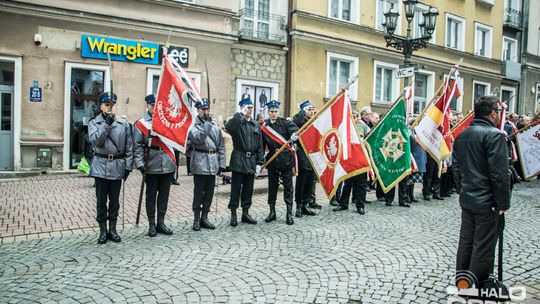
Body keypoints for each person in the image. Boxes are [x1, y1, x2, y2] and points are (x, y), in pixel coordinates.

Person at [453, 95, 510, 287]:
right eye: (498, 112)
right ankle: (476, 284)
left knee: (466, 241)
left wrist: (463, 190)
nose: (499, 115)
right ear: (493, 113)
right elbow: (499, 174)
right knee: (483, 245)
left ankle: (462, 280)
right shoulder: (495, 135)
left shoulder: (462, 134)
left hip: (468, 198)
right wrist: (502, 203)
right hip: (487, 202)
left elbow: (456, 169)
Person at [88, 92, 133, 244]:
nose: (110, 107)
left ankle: (113, 229)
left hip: (117, 167)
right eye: (107, 104)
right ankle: (102, 231)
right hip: (101, 166)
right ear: (101, 106)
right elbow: (97, 141)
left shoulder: (123, 124)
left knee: (114, 201)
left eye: (112, 104)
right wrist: (106, 124)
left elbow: (129, 147)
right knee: (101, 201)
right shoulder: (94, 123)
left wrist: (128, 167)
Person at [133, 94, 176, 237]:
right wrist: (139, 164)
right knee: (151, 196)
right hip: (150, 164)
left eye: (156, 105)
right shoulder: (142, 123)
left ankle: (161, 223)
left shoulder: (167, 121)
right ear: (147, 106)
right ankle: (151, 224)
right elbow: (138, 146)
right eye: (152, 105)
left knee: (164, 196)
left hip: (167, 164)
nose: (154, 108)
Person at [188, 98, 226, 231]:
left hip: (213, 161)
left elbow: (221, 145)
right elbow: (198, 138)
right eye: (203, 109)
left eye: (206, 109)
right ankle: (196, 219)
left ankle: (205, 217)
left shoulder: (214, 124)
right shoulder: (193, 124)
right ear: (197, 110)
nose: (205, 111)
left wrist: (222, 164)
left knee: (209, 192)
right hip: (200, 161)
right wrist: (207, 125)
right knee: (199, 192)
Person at [225, 98, 264, 226]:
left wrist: (259, 163)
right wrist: (240, 115)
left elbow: (259, 145)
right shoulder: (237, 121)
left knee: (248, 189)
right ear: (241, 107)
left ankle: (246, 213)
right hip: (239, 159)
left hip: (251, 160)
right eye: (247, 107)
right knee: (236, 188)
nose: (250, 110)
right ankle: (233, 214)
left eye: (251, 107)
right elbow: (229, 128)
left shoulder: (255, 124)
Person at [261, 100, 299, 225]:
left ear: (278, 111)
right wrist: (260, 162)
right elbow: (262, 146)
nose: (273, 114)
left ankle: (289, 213)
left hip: (285, 161)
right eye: (271, 111)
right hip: (272, 161)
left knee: (288, 188)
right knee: (272, 187)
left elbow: (295, 129)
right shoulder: (264, 127)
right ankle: (272, 212)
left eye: (275, 111)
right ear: (268, 112)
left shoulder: (285, 123)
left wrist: (294, 135)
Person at [292, 100, 317, 218]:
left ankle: (306, 204)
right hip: (302, 154)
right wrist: (302, 111)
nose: (312, 112)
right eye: (309, 109)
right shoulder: (300, 121)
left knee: (310, 181)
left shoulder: (314, 122)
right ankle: (298, 205)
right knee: (301, 181)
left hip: (313, 155)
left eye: (313, 109)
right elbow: (296, 120)